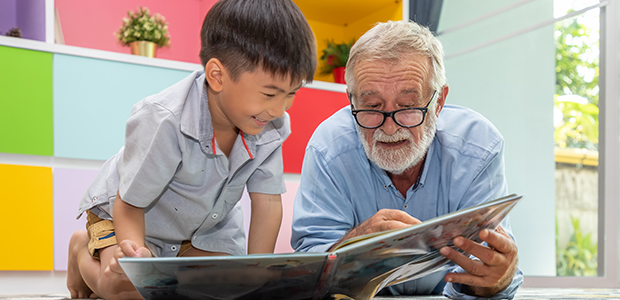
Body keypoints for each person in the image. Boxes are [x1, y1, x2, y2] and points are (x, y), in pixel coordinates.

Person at [66, 0, 316, 298]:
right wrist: (137, 259)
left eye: (291, 94)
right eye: (269, 94)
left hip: (202, 232)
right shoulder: (164, 119)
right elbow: (130, 204)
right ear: (217, 75)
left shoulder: (271, 126)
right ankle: (82, 250)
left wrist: (257, 277)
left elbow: (268, 203)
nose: (279, 109)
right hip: (127, 216)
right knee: (130, 292)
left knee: (228, 291)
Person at [291, 20, 523, 299]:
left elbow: (487, 267)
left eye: (408, 106)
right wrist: (354, 244)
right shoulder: (328, 149)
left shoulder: (478, 148)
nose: (389, 128)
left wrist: (496, 278)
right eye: (372, 106)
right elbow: (307, 272)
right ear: (351, 101)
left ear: (438, 102)